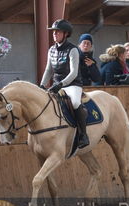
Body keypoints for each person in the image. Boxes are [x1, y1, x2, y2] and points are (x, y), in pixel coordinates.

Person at [40, 19, 89, 148]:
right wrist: (42, 85)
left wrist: (61, 84)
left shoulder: (73, 50)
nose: (54, 34)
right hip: (56, 85)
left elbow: (73, 73)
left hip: (72, 84)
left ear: (66, 33)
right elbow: (48, 70)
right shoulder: (51, 50)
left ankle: (83, 135)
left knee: (75, 102)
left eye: (58, 31)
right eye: (53, 32)